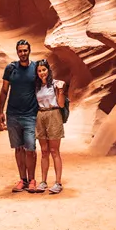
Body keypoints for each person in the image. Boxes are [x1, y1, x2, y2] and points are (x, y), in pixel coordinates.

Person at [0, 40, 38, 192]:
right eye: (20, 51)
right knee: (19, 149)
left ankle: (32, 179)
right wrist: (0, 111)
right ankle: (23, 179)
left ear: (29, 51)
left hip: (30, 115)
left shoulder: (35, 68)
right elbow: (4, 90)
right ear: (17, 52)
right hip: (13, 114)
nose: (23, 53)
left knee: (30, 148)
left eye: (25, 51)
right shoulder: (10, 69)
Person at [33, 59, 66, 194]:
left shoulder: (55, 84)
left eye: (44, 70)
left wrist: (61, 91)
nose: (42, 73)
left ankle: (58, 183)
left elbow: (61, 104)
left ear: (48, 70)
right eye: (39, 71)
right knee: (44, 151)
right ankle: (43, 181)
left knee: (54, 151)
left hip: (53, 114)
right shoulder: (36, 87)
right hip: (41, 116)